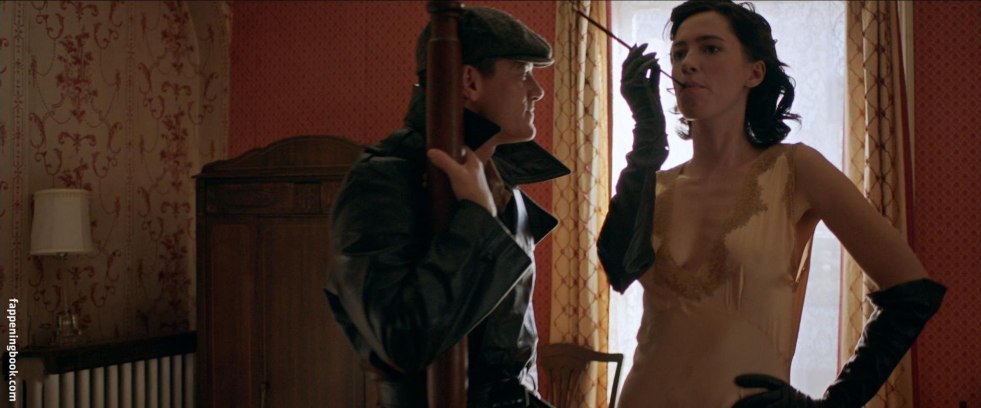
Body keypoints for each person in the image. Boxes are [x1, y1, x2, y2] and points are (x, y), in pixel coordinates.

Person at [597, 1, 946, 406]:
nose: (687, 63)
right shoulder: (653, 186)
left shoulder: (795, 169)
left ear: (755, 72)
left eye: (710, 48)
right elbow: (618, 270)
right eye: (678, 52)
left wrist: (834, 405)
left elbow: (912, 292)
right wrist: (646, 138)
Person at [324, 6, 567, 408]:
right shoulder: (384, 178)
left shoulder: (498, 178)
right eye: (522, 72)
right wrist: (476, 217)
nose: (537, 90)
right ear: (470, 82)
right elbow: (402, 339)